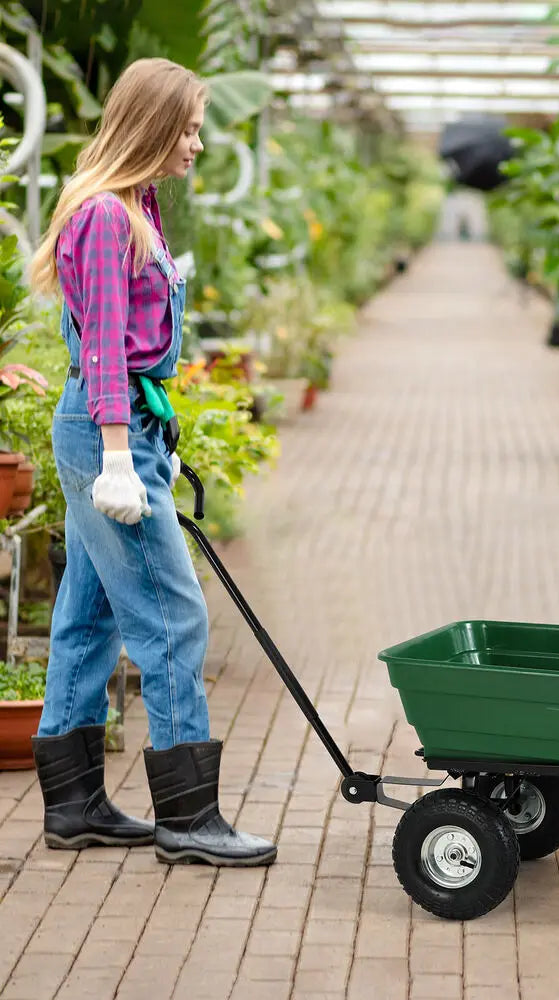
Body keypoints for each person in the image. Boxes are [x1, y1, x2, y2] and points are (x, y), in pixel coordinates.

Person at [27, 58, 275, 868]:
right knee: (174, 616)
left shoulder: (139, 206)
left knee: (90, 614)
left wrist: (142, 438)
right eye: (190, 127)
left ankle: (74, 807)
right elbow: (102, 346)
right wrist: (115, 458)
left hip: (129, 427)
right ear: (152, 125)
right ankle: (189, 819)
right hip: (109, 434)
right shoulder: (104, 216)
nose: (198, 143)